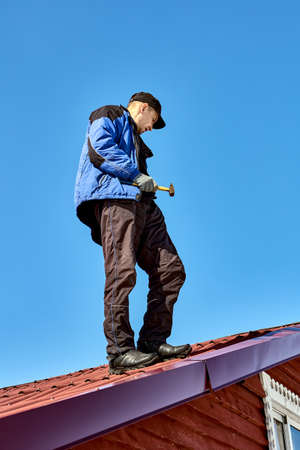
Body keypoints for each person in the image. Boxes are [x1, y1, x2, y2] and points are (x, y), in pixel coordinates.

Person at [74, 92, 191, 374]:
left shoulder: (137, 142)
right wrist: (136, 175)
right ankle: (120, 351)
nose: (152, 127)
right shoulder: (110, 114)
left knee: (171, 270)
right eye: (153, 120)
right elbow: (99, 148)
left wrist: (141, 179)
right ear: (142, 108)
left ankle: (152, 341)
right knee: (121, 272)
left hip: (142, 204)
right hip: (115, 200)